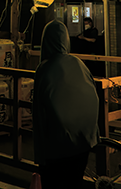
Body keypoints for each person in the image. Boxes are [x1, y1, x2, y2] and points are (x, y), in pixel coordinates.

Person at [33, 21, 99, 189]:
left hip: (57, 144)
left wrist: (40, 155)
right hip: (84, 139)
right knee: (75, 182)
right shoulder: (79, 64)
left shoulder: (44, 69)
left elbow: (39, 114)